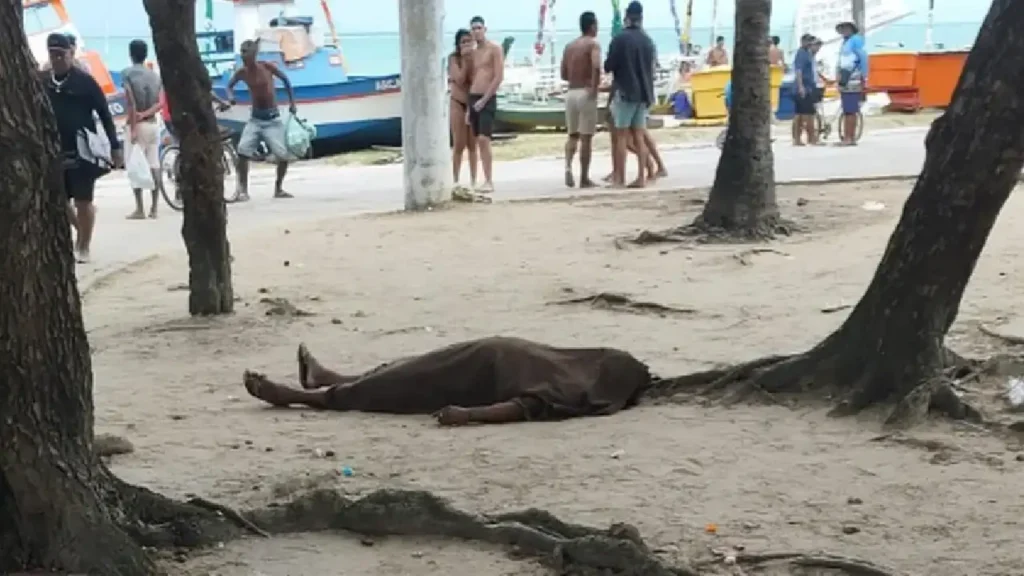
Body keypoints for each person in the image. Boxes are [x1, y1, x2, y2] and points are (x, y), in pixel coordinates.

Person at [242, 337, 653, 426]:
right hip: (487, 355)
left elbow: (523, 408)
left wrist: (469, 415)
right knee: (407, 370)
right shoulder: (576, 369)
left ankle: (306, 396)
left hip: (479, 372)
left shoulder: (573, 387)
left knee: (405, 382)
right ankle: (331, 380)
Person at [42, 33, 122, 264]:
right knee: (59, 199)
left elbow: (104, 114)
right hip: (54, 149)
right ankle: (80, 230)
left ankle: (84, 246)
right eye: (53, 54)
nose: (57, 59)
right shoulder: (43, 82)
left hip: (83, 150)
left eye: (61, 54)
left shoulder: (85, 82)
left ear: (71, 53)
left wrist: (115, 146)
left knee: (83, 201)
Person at [226, 39, 298, 200]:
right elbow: (229, 86)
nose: (243, 56)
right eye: (242, 52)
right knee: (242, 152)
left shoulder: (267, 67)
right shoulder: (242, 72)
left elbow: (285, 80)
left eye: (246, 53)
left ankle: (278, 188)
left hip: (272, 119)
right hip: (255, 119)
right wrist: (231, 97)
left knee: (282, 156)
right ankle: (243, 190)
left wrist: (292, 103)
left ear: (254, 54)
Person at [604, 1, 656, 188]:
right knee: (639, 136)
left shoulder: (619, 39)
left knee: (621, 136)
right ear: (641, 18)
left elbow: (608, 66)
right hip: (644, 93)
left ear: (627, 16)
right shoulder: (648, 40)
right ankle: (641, 176)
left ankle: (620, 178)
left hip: (625, 91)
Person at [121, 40, 163, 220]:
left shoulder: (127, 73)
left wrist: (133, 125)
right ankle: (154, 208)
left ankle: (139, 208)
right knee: (154, 164)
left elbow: (130, 101)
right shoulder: (155, 76)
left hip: (137, 124)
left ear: (131, 54)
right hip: (153, 124)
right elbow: (160, 103)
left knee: (135, 165)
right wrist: (146, 113)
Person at [560, 11, 601, 188]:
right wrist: (594, 87)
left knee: (572, 135)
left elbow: (563, 74)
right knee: (586, 137)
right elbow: (596, 65)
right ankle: (584, 178)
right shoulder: (593, 44)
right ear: (592, 26)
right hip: (585, 91)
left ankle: (568, 167)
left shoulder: (569, 46)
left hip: (571, 92)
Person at [467, 16, 504, 193]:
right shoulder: (474, 53)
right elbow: (472, 78)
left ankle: (489, 180)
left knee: (484, 138)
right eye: (473, 29)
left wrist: (485, 99)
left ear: (484, 29)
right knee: (476, 140)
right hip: (473, 96)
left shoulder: (494, 48)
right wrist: (469, 107)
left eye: (479, 28)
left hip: (487, 97)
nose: (476, 31)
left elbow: (498, 76)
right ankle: (480, 179)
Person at [448, 29, 478, 190]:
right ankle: (455, 180)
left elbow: (477, 80)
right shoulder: (454, 59)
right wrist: (465, 61)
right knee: (459, 143)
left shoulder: (477, 58)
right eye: (463, 42)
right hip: (457, 103)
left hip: (472, 103)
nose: (466, 45)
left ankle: (474, 180)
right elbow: (459, 79)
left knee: (473, 144)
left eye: (469, 41)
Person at [836, 21, 868, 146]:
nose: (844, 31)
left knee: (849, 111)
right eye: (842, 29)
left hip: (852, 80)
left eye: (846, 28)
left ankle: (849, 137)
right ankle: (850, 137)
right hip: (849, 80)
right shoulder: (847, 42)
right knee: (849, 110)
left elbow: (860, 59)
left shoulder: (854, 42)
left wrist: (864, 76)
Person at [792, 34, 818, 146]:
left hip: (808, 87)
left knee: (801, 114)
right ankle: (810, 138)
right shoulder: (801, 54)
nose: (809, 43)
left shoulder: (807, 53)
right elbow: (799, 71)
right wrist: (801, 86)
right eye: (807, 41)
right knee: (807, 114)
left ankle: (798, 139)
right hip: (804, 88)